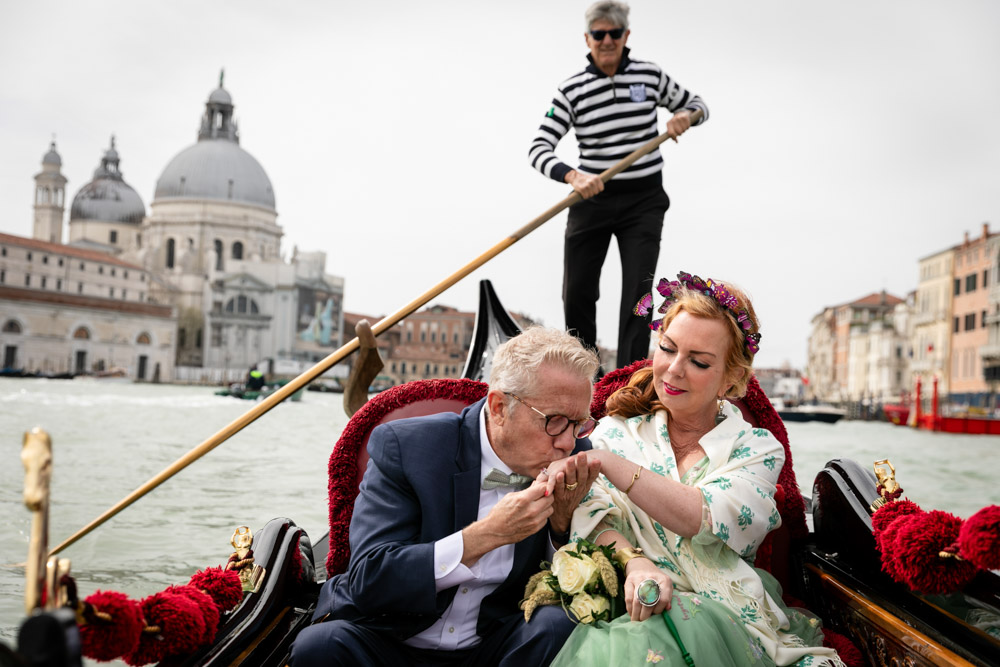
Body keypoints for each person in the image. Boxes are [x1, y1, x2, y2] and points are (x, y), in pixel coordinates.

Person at [546, 273, 844, 666]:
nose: (673, 370)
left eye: (698, 362)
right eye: (668, 349)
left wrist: (611, 464)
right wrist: (636, 563)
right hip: (633, 596)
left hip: (726, 612)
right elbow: (597, 515)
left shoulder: (756, 449)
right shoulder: (615, 433)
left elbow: (701, 516)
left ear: (732, 378)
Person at [291, 327, 604, 666]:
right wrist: (486, 535)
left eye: (579, 424)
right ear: (499, 408)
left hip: (492, 644)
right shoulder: (408, 448)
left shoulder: (576, 454)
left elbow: (564, 583)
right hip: (389, 637)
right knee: (319, 646)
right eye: (555, 421)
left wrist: (560, 525)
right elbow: (370, 578)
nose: (569, 443)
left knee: (561, 623)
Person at [528, 1, 709, 371]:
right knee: (576, 294)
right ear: (588, 38)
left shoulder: (649, 76)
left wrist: (682, 118)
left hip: (643, 201)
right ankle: (584, 375)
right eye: (599, 34)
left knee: (637, 297)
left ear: (626, 36)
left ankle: (626, 380)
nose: (606, 40)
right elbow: (538, 148)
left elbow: (699, 104)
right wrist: (572, 175)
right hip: (590, 197)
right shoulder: (572, 90)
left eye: (614, 33)